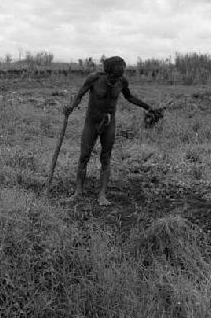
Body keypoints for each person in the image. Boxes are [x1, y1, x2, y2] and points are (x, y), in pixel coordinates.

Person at [62, 56, 156, 206]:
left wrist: (146, 106)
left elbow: (129, 97)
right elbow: (80, 94)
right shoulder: (94, 78)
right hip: (92, 122)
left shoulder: (122, 81)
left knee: (106, 157)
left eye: (119, 76)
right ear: (106, 72)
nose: (116, 79)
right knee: (84, 156)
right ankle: (78, 192)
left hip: (109, 122)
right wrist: (71, 107)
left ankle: (102, 196)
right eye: (113, 76)